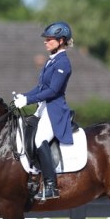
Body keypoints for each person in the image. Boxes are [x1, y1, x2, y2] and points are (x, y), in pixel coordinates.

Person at [14, 21, 74, 200]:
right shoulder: (51, 61)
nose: (45, 42)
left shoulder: (63, 63)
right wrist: (23, 97)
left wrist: (28, 100)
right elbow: (41, 88)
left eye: (49, 39)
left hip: (54, 109)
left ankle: (50, 185)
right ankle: (33, 175)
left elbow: (53, 91)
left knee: (40, 139)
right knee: (26, 133)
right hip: (43, 108)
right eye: (46, 39)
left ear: (61, 40)